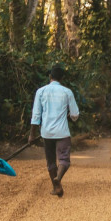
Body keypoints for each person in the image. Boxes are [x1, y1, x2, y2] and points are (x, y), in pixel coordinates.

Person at [29, 66, 80, 197]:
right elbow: (75, 115)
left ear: (50, 77)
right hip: (62, 132)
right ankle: (58, 178)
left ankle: (56, 186)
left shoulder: (41, 91)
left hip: (46, 132)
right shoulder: (67, 92)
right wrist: (69, 116)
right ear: (62, 78)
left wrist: (31, 135)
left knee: (51, 161)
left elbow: (36, 115)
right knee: (64, 159)